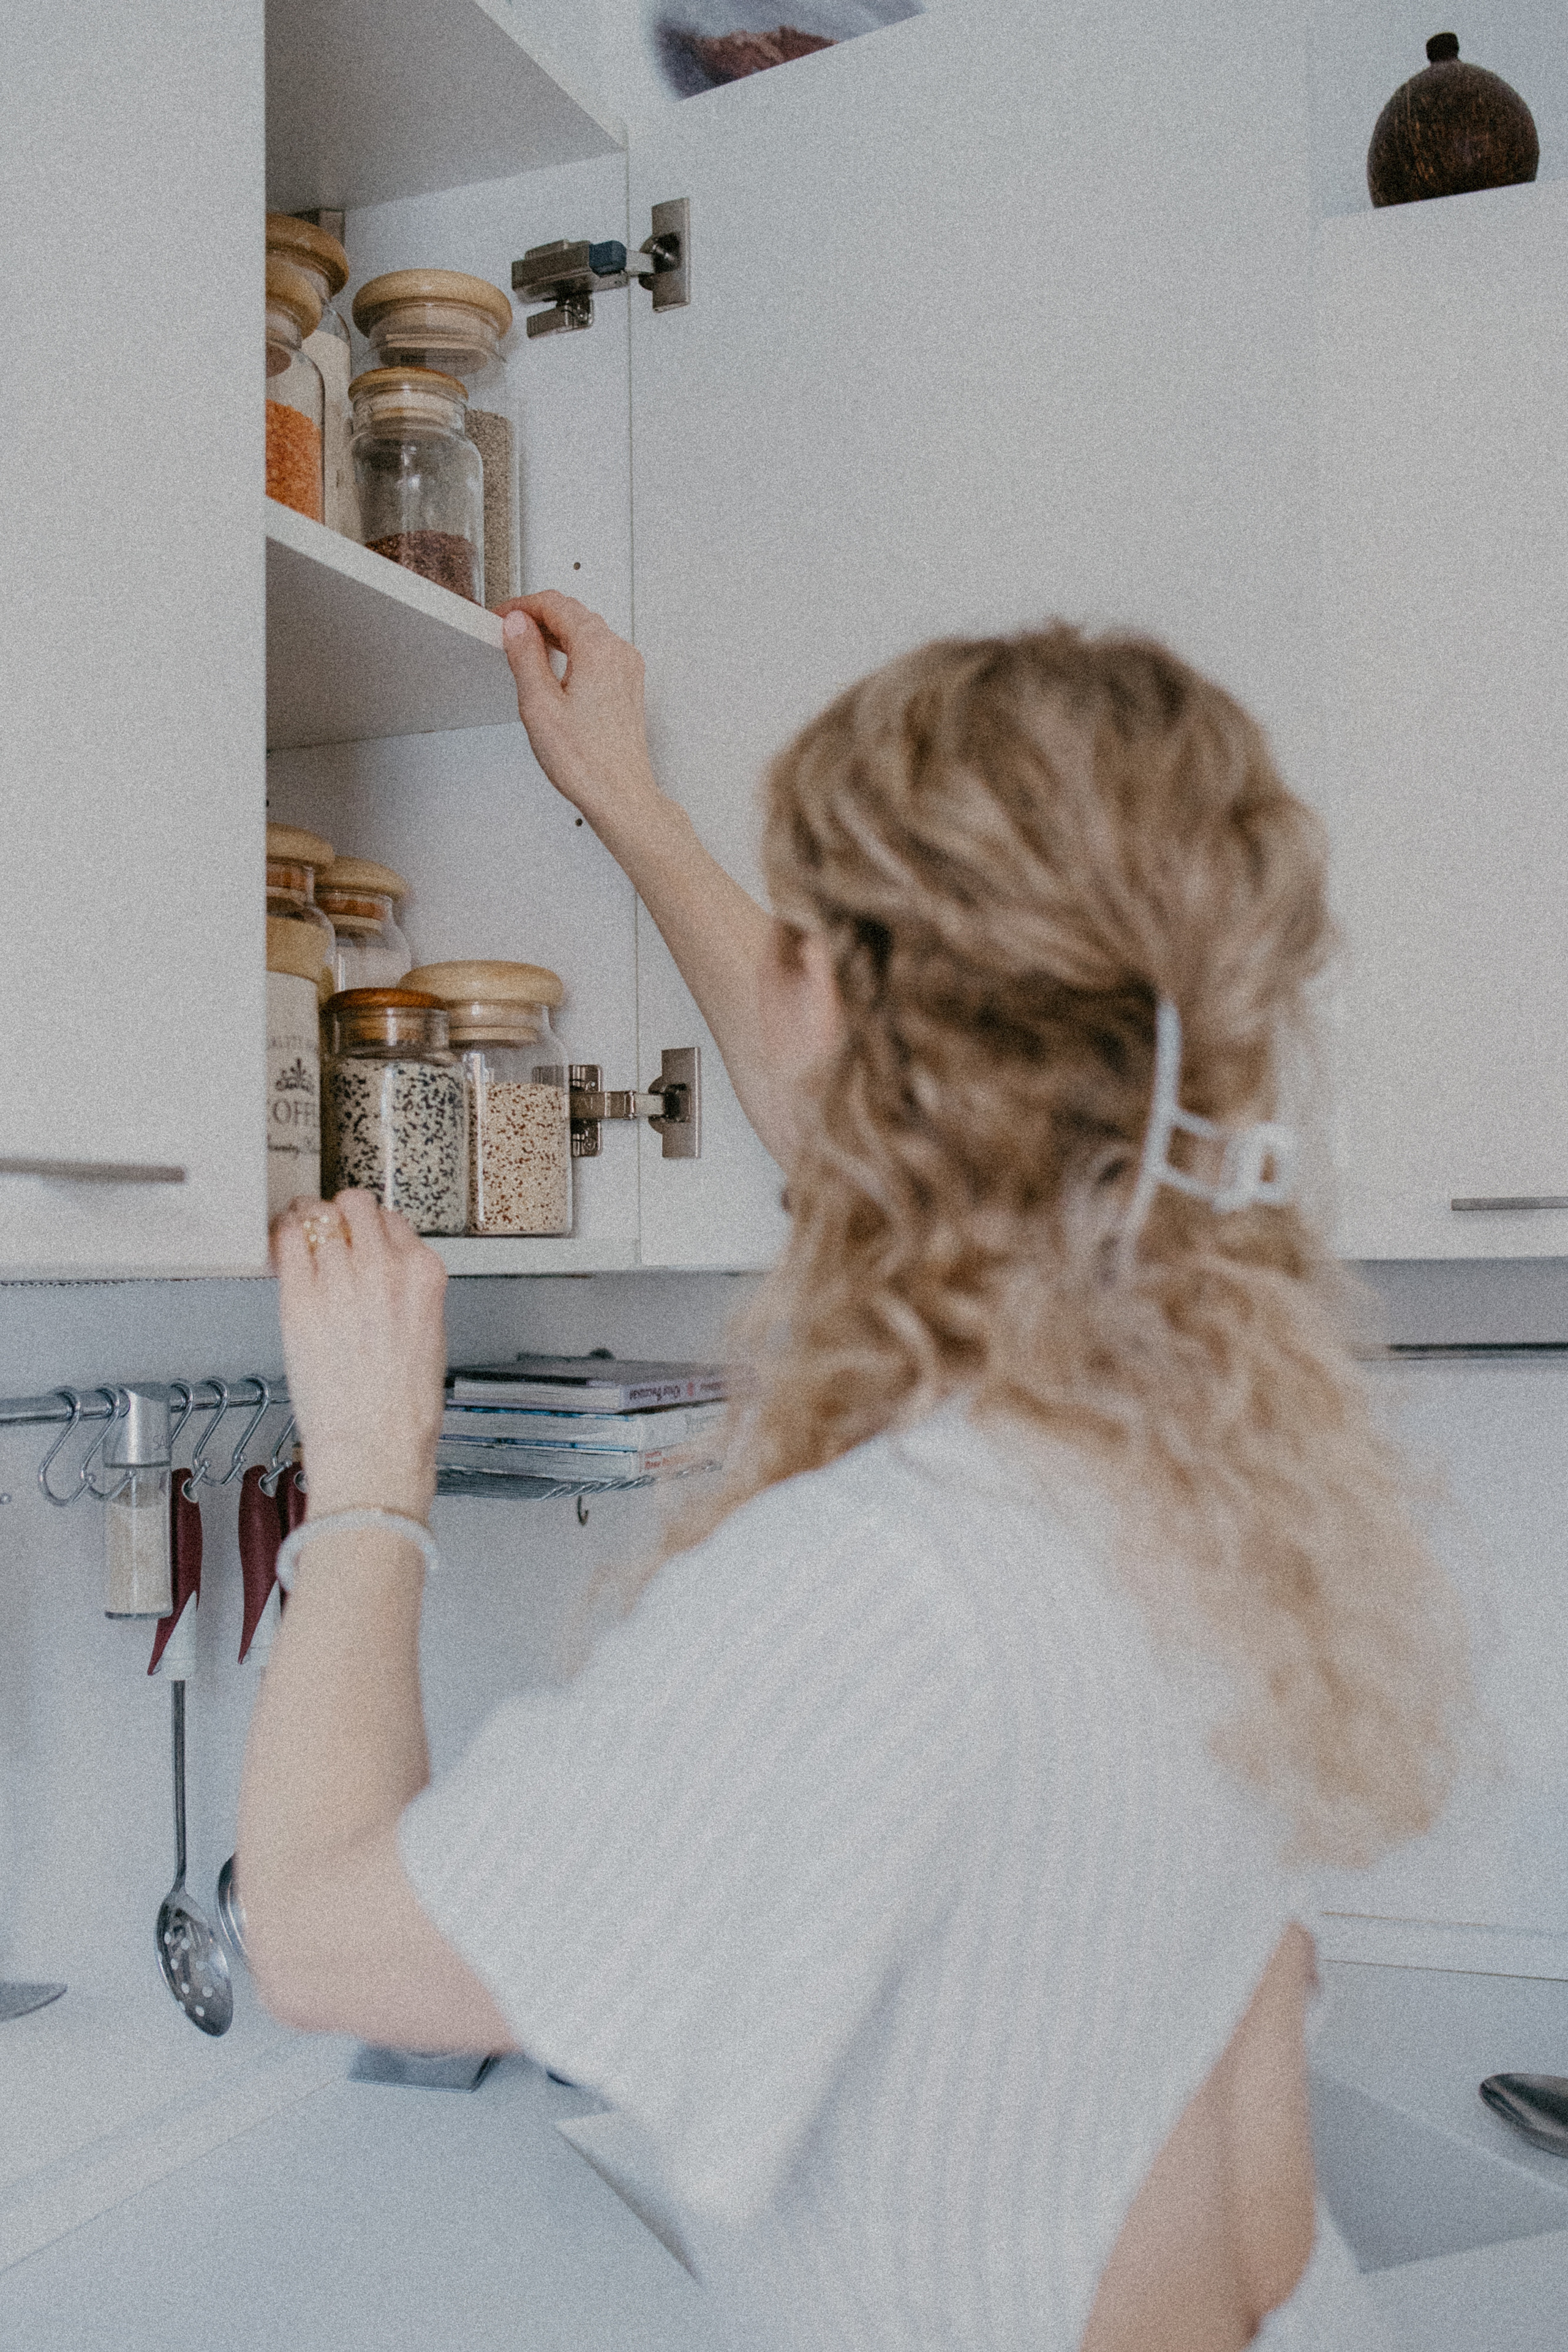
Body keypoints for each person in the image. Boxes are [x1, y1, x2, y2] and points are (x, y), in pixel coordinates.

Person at [239, 598, 1471, 2350]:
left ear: (844, 992)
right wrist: (626, 799)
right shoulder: (1195, 1466)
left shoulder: (888, 1590)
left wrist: (366, 1478)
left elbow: (314, 1941)